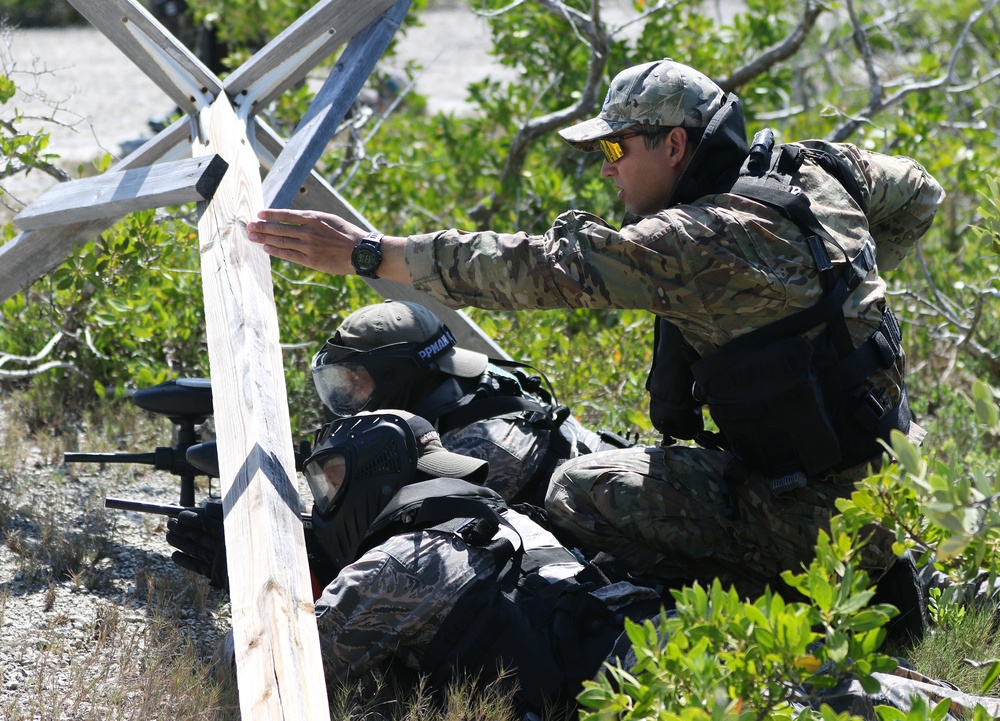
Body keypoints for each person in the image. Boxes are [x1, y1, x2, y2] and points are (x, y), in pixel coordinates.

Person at [244, 59, 945, 605]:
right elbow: (920, 191)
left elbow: (539, 269)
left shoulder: (700, 242)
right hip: (890, 491)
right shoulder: (815, 173)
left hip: (818, 518)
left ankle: (784, 606)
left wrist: (370, 254)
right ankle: (868, 571)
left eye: (616, 145)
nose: (607, 164)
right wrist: (834, 292)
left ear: (675, 144)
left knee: (576, 489)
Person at [169, 409, 663, 716]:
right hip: (659, 654)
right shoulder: (504, 520)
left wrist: (250, 579)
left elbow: (261, 675)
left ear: (376, 479)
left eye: (332, 480)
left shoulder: (403, 561)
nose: (323, 500)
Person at [309, 298, 629, 506]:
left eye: (354, 379)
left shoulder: (478, 447)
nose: (346, 394)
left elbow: (374, 523)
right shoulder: (466, 385)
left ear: (395, 373)